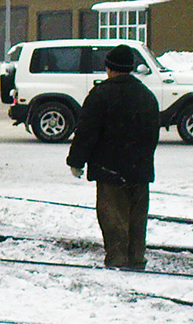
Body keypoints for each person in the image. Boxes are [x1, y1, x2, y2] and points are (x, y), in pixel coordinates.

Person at [66, 44, 161, 270]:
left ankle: (118, 264)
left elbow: (87, 132)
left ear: (109, 68)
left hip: (110, 171)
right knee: (137, 221)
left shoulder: (101, 95)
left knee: (114, 221)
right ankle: (137, 260)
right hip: (139, 170)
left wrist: (76, 162)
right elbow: (153, 134)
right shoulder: (146, 95)